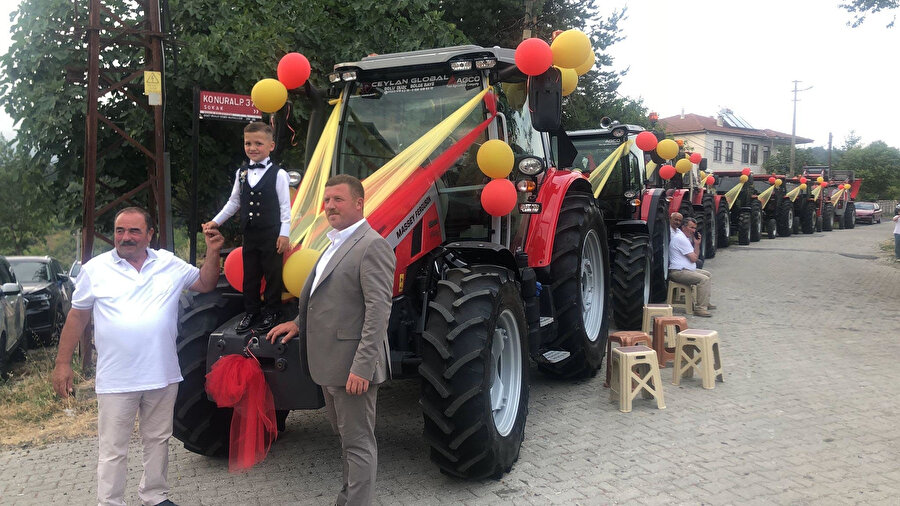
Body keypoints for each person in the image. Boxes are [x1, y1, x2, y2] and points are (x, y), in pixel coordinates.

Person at [51, 207, 224, 506]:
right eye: (120, 231)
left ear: (150, 235)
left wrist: (213, 252)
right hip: (117, 379)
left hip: (162, 373)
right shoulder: (96, 269)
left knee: (157, 440)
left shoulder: (168, 263)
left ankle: (155, 496)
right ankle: (110, 502)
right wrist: (62, 363)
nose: (125, 237)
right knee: (113, 449)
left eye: (133, 231)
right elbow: (77, 318)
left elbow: (206, 284)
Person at [267, 174, 395, 506]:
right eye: (326, 201)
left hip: (353, 367)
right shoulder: (332, 242)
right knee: (345, 439)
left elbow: (378, 312)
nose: (329, 206)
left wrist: (362, 368)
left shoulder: (372, 245)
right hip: (329, 363)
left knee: (358, 442)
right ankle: (350, 498)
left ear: (358, 202)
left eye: (338, 199)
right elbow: (329, 299)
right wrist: (297, 323)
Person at [204, 121, 291, 333]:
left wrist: (284, 234)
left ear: (271, 146)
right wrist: (216, 221)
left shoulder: (279, 174)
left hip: (271, 233)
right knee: (250, 275)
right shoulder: (242, 173)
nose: (252, 148)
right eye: (248, 143)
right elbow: (234, 202)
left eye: (258, 143)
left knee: (272, 274)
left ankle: (272, 311)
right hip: (250, 233)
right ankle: (251, 311)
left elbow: (285, 207)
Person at [668, 216, 716, 317]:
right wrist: (696, 247)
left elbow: (695, 255)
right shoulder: (681, 239)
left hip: (687, 270)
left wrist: (697, 244)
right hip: (678, 272)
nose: (693, 231)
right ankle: (700, 309)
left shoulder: (685, 238)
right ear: (684, 227)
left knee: (708, 274)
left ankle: (705, 302)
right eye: (691, 228)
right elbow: (694, 258)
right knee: (704, 279)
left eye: (695, 228)